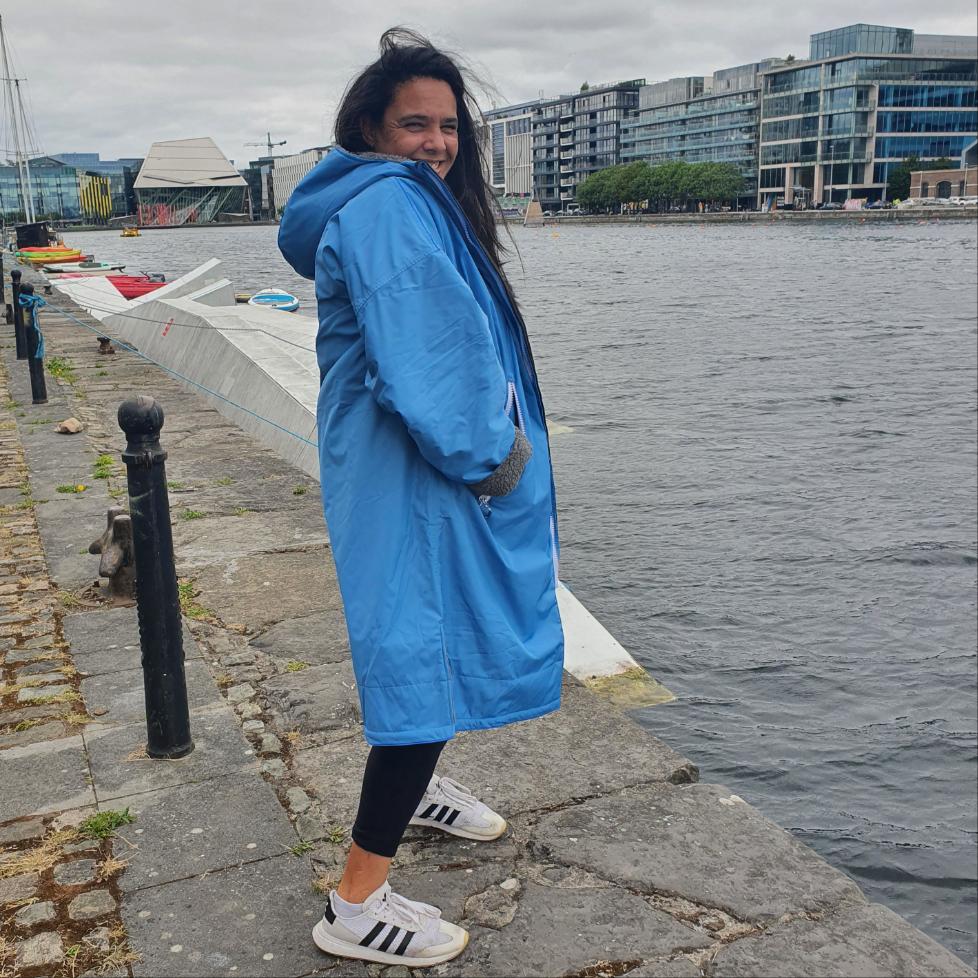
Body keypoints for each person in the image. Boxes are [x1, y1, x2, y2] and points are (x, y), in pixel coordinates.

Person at [278, 28, 564, 969]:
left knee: (430, 637)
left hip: (395, 465)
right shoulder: (390, 206)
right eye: (415, 124)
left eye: (448, 126)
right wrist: (500, 462)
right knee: (420, 649)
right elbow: (430, 358)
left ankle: (423, 791)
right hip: (416, 472)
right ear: (369, 127)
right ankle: (356, 904)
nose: (437, 142)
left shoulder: (386, 198)